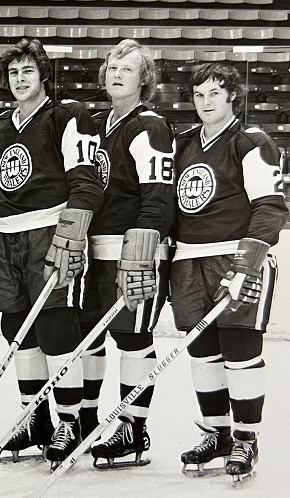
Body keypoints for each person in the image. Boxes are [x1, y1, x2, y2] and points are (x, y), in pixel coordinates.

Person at [0, 39, 104, 466]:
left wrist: (71, 233)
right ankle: (35, 419)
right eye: (13, 73)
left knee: (57, 327)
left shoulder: (68, 116)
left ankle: (70, 421)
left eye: (27, 72)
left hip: (50, 230)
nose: (20, 80)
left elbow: (86, 181)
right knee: (17, 328)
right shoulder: (1, 126)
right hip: (8, 237)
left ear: (43, 76)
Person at [172, 63, 287, 484]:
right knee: (202, 354)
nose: (206, 103)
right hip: (188, 261)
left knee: (240, 352)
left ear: (232, 96)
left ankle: (245, 437)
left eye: (215, 94)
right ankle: (216, 433)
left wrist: (246, 263)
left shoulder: (251, 142)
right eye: (199, 95)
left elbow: (270, 207)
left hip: (234, 259)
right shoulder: (182, 143)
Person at [77, 40, 175, 469]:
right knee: (89, 338)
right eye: (112, 68)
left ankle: (133, 429)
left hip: (132, 251)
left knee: (133, 339)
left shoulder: (150, 125)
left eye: (128, 70)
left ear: (144, 79)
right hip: (91, 249)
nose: (117, 74)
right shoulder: (97, 123)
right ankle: (85, 419)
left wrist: (145, 241)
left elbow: (159, 196)